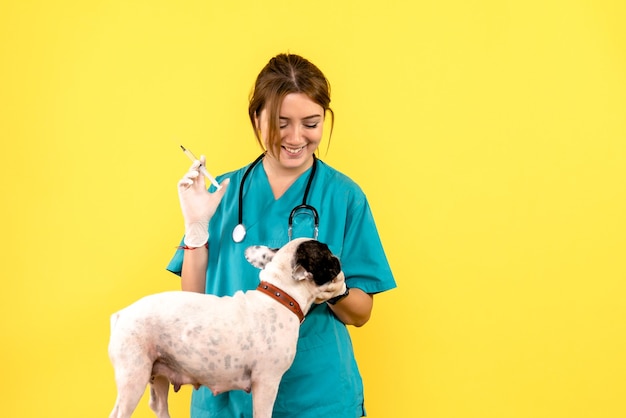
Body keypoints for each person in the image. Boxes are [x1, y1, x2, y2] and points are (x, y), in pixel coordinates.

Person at [167, 53, 396, 418]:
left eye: (311, 123)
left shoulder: (344, 196)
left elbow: (360, 314)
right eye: (280, 123)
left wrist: (332, 289)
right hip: (227, 393)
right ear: (256, 119)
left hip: (317, 395)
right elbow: (193, 303)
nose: (295, 137)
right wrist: (196, 228)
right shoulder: (222, 194)